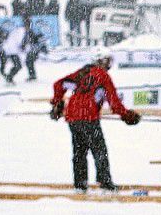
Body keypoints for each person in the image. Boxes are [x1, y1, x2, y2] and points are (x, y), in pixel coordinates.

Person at [50, 52, 130, 192]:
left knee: (79, 151)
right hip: (89, 117)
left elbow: (59, 84)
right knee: (99, 149)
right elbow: (114, 102)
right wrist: (127, 115)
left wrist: (57, 103)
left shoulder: (82, 72)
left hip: (73, 116)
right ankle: (105, 182)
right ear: (104, 62)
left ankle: (80, 184)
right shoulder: (103, 76)